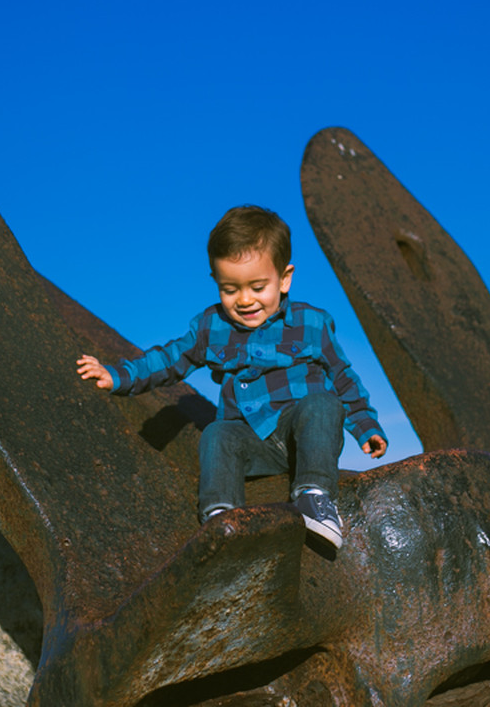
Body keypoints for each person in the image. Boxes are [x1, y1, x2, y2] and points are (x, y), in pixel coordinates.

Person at [77, 205, 387, 549]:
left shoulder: (311, 323)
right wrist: (118, 375)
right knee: (217, 432)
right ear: (215, 282)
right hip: (251, 443)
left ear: (284, 279)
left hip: (302, 435)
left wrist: (366, 426)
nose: (244, 300)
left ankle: (313, 497)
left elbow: (343, 377)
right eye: (230, 289)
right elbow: (169, 360)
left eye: (257, 287)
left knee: (322, 404)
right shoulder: (211, 327)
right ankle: (220, 517)